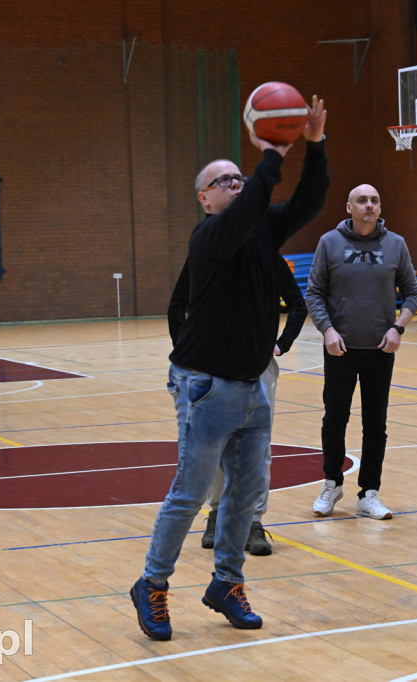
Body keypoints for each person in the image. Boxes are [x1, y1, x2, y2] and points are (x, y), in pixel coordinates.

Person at [130, 96, 328, 641]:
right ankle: (152, 584)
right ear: (204, 199)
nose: (238, 184)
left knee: (244, 494)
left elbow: (309, 200)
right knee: (190, 492)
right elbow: (251, 206)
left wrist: (313, 146)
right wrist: (269, 156)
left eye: (241, 177)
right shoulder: (210, 237)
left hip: (253, 383)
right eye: (226, 180)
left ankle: (227, 583)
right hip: (206, 385)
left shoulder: (261, 229)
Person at [164, 254, 307, 557]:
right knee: (214, 443)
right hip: (211, 363)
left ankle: (252, 521)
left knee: (258, 446)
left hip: (258, 363)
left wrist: (283, 342)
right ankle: (216, 514)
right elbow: (176, 308)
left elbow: (298, 304)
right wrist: (187, 353)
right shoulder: (205, 253)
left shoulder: (268, 258)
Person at [304, 184, 417, 520]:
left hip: (380, 349)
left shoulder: (396, 244)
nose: (369, 205)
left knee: (375, 423)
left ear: (380, 207)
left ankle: (369, 493)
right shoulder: (329, 243)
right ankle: (331, 483)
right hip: (340, 348)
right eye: (362, 201)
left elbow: (413, 293)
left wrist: (398, 328)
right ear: (348, 207)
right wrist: (327, 330)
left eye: (374, 201)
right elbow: (314, 293)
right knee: (335, 419)